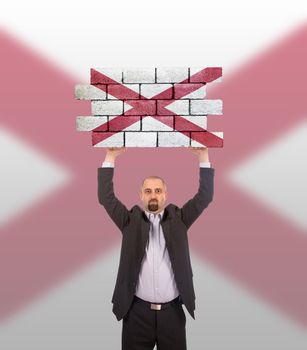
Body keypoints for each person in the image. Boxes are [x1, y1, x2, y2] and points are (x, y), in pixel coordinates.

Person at [98, 147, 214, 350]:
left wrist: (203, 156)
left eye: (158, 191)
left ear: (165, 195)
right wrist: (111, 156)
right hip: (136, 314)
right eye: (148, 191)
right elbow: (106, 198)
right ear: (141, 195)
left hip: (173, 314)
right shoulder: (129, 220)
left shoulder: (180, 219)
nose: (153, 195)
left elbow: (204, 197)